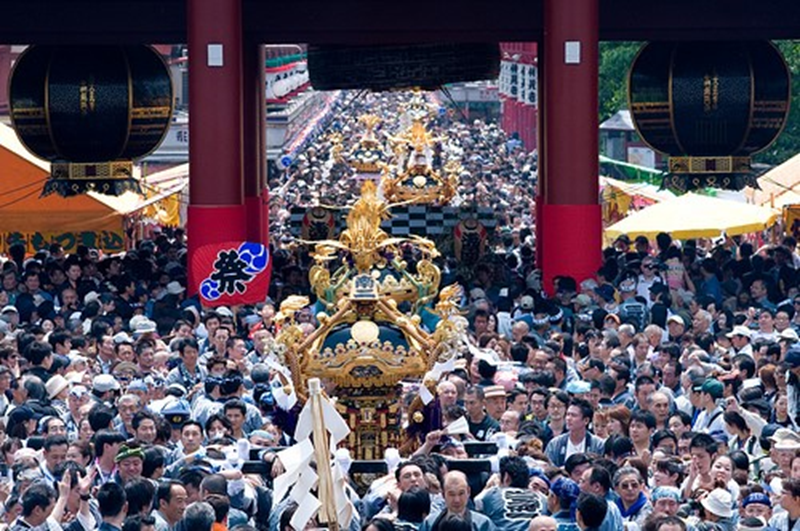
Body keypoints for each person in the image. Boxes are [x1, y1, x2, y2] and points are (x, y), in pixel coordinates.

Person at [475, 456, 543, 531]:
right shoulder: (542, 497)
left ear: (506, 477)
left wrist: (488, 486)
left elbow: (476, 503)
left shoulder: (492, 494)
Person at [419, 471, 496, 531]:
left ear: (468, 492)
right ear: (443, 495)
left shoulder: (483, 524)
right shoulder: (430, 523)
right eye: (451, 494)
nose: (457, 500)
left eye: (461, 493)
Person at [545, 399, 605, 467]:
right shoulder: (555, 444)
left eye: (573, 415)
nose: (568, 418)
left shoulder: (598, 445)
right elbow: (548, 468)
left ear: (586, 420)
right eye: (567, 414)